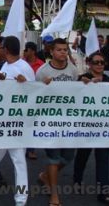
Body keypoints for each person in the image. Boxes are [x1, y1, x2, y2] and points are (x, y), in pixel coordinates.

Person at [0, 36, 33, 206]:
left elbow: (34, 93)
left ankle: (21, 198)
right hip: (0, 119)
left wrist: (25, 84)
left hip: (17, 121)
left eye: (0, 47)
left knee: (18, 160)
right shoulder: (6, 65)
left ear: (6, 49)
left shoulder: (24, 67)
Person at [36, 38, 78, 206]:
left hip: (67, 120)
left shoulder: (73, 71)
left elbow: (76, 91)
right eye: (59, 49)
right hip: (50, 120)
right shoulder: (42, 72)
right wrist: (42, 88)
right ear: (51, 52)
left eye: (65, 49)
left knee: (68, 157)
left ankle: (45, 176)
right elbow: (34, 97)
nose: (63, 52)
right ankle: (54, 194)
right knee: (53, 158)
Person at [73, 52, 109, 206]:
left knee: (103, 159)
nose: (99, 65)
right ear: (89, 64)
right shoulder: (82, 78)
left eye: (102, 63)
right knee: (82, 156)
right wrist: (86, 83)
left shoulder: (108, 80)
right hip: (85, 126)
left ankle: (103, 192)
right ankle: (77, 180)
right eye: (96, 62)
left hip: (103, 126)